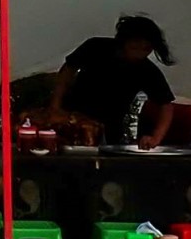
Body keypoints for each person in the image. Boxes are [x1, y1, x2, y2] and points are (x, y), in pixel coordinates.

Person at [50, 15, 178, 148]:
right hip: (72, 117)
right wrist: (55, 107)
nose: (140, 51)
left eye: (146, 48)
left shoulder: (146, 70)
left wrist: (155, 138)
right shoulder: (96, 47)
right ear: (124, 41)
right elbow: (67, 70)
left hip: (110, 129)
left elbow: (166, 105)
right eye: (135, 45)